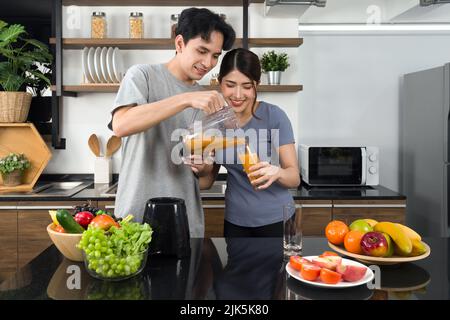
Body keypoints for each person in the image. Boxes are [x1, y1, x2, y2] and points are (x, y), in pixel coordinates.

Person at [108, 8, 236, 237]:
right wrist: (186, 99)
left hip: (185, 224)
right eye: (202, 51)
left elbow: (206, 181)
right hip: (134, 220)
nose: (208, 62)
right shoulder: (142, 76)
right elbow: (121, 125)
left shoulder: (210, 101)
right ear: (179, 43)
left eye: (215, 55)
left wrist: (203, 166)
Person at [189, 48, 301, 237]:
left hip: (276, 219)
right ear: (219, 82)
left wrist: (277, 172)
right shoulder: (215, 122)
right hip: (235, 221)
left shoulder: (274, 116)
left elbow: (294, 177)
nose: (238, 94)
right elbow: (207, 182)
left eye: (247, 86)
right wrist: (199, 169)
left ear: (257, 84)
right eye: (230, 85)